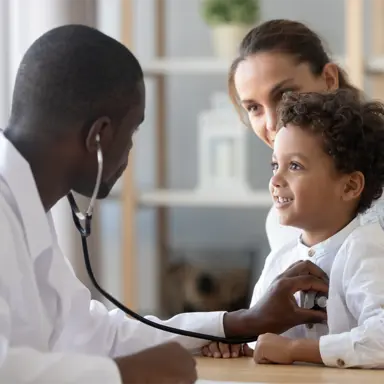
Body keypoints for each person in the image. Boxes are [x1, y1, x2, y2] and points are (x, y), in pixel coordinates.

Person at [0, 24, 329, 383]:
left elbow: (93, 334)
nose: (129, 150)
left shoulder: (27, 208)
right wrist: (122, 374)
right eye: (133, 130)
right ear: (99, 136)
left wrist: (240, 322)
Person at [201, 18, 384, 360]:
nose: (272, 123)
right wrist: (242, 338)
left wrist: (297, 348)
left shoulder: (368, 237)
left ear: (330, 79)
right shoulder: (284, 227)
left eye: (285, 95)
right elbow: (273, 327)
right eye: (253, 108)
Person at [250, 89, 384, 369]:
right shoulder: (281, 259)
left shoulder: (366, 249)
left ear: (349, 186)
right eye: (275, 164)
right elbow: (257, 333)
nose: (275, 179)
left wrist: (297, 349)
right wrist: (231, 341)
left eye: (295, 166)